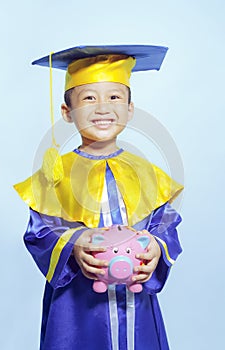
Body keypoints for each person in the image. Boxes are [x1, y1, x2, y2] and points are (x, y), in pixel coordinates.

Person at [14, 45, 184, 350]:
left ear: (130, 109)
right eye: (89, 98)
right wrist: (75, 243)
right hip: (76, 312)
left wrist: (157, 249)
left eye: (115, 97)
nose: (103, 108)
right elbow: (40, 232)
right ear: (67, 112)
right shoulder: (57, 174)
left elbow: (166, 225)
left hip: (137, 303)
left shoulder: (148, 173)